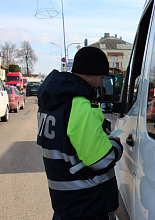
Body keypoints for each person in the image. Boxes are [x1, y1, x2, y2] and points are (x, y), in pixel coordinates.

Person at [37, 47, 123, 220]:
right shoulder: (81, 104)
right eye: (101, 76)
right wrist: (115, 145)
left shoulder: (52, 101)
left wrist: (95, 133)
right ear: (90, 73)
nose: (102, 82)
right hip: (87, 202)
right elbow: (100, 160)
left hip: (65, 202)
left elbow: (67, 139)